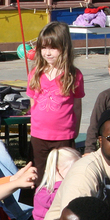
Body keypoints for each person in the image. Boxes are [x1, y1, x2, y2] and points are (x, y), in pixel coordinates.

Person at [27, 21, 85, 175]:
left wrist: (75, 130)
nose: (47, 52)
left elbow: (77, 106)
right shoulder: (35, 74)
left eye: (53, 47)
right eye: (44, 47)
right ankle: (38, 199)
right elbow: (33, 103)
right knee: (38, 174)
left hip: (63, 135)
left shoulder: (74, 75)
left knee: (63, 174)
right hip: (39, 136)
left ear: (64, 48)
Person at [32, 147, 81, 220]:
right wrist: (60, 183)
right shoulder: (42, 192)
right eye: (73, 170)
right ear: (57, 170)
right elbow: (55, 202)